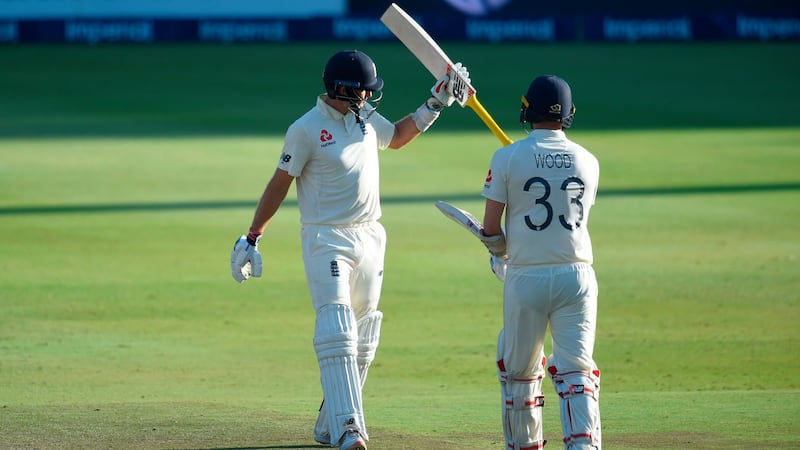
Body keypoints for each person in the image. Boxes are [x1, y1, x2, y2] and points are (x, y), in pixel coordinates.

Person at [229, 49, 469, 450]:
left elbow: (397, 137)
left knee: (365, 335)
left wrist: (436, 102)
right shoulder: (305, 130)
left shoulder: (365, 118)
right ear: (341, 90)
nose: (368, 99)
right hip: (326, 237)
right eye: (362, 92)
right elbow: (279, 183)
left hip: (371, 236)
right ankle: (349, 429)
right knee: (337, 328)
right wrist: (253, 235)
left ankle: (328, 425)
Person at [478, 75, 602, 449]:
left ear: (525, 108)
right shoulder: (588, 160)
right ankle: (583, 445)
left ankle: (526, 444)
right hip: (577, 276)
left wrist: (500, 254)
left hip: (527, 277)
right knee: (577, 371)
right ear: (569, 114)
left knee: (519, 374)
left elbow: (490, 229)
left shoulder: (507, 157)